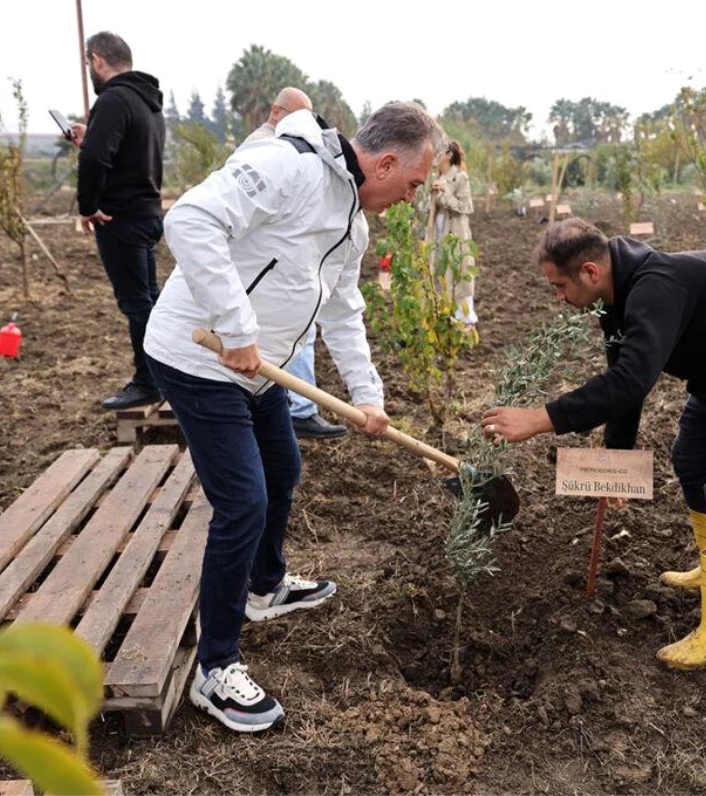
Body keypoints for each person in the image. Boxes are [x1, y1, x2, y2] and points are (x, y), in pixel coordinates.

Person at [143, 102, 442, 732]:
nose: (412, 199)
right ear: (386, 163)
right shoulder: (287, 167)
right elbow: (191, 220)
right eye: (413, 184)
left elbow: (342, 311)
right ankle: (214, 668)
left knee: (284, 468)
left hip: (256, 367)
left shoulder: (352, 226)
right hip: (200, 357)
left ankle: (265, 586)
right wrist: (236, 325)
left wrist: (368, 395)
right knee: (243, 502)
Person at [482, 218, 706, 671]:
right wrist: (618, 456)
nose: (558, 298)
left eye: (559, 286)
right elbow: (626, 375)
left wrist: (540, 418)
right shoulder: (617, 294)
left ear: (590, 272)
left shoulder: (656, 288)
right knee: (691, 458)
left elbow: (629, 381)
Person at [242, 87, 348, 440]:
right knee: (295, 330)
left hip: (283, 270)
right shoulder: (266, 149)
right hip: (271, 276)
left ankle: (297, 407)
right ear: (277, 112)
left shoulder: (290, 150)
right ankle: (300, 409)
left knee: (301, 329)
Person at [70, 31, 167, 410]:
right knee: (150, 302)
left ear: (97, 60)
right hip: (146, 213)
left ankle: (149, 381)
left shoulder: (113, 99)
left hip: (120, 218)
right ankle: (162, 375)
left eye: (88, 65)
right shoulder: (147, 102)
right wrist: (91, 136)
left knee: (137, 304)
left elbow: (95, 159)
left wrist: (87, 206)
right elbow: (125, 151)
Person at [429, 140, 477, 326]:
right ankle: (443, 319)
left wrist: (445, 194)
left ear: (448, 155)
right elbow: (427, 208)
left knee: (460, 274)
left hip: (455, 234)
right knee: (438, 273)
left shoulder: (460, 178)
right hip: (437, 233)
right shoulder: (434, 177)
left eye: (438, 153)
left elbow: (466, 207)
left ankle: (465, 321)